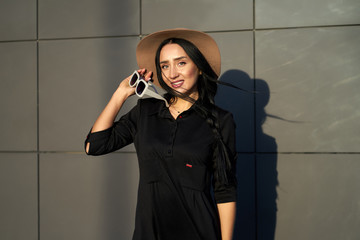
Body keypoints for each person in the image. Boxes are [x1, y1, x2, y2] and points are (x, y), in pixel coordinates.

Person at [85, 28, 237, 240]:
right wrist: (120, 94)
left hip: (199, 232)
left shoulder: (222, 120)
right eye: (165, 66)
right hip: (149, 232)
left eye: (181, 63)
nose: (172, 73)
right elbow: (95, 145)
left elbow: (225, 189)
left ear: (200, 68)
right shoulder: (146, 111)